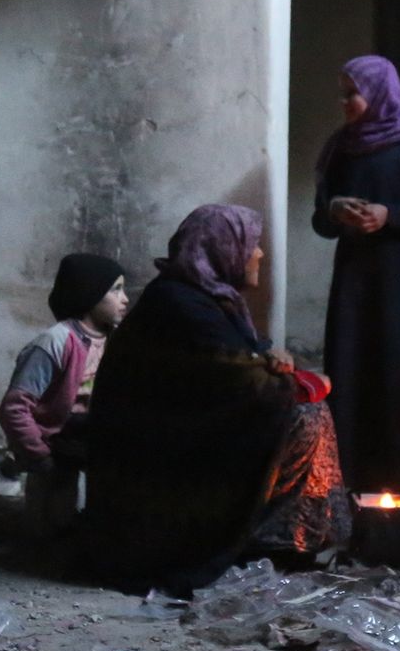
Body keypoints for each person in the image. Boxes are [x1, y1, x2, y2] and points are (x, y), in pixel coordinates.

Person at [82, 205, 348, 594]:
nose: (258, 254)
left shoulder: (203, 298)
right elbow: (240, 382)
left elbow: (245, 360)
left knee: (302, 409)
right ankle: (268, 541)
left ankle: (282, 537)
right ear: (223, 248)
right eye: (251, 245)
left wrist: (279, 366)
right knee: (306, 415)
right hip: (158, 465)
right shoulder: (180, 306)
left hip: (182, 442)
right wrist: (304, 384)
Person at [312, 54, 400, 490]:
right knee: (350, 373)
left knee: (396, 375)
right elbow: (320, 222)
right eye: (344, 94)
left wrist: (389, 215)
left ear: (378, 95)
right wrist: (334, 210)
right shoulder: (343, 151)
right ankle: (348, 481)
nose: (346, 102)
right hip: (356, 283)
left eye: (353, 93)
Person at [0, 256, 127, 537]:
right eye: (115, 290)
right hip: (54, 444)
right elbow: (14, 408)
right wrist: (38, 454)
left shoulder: (115, 339)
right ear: (89, 293)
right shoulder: (55, 342)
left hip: (88, 437)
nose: (124, 299)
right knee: (49, 525)